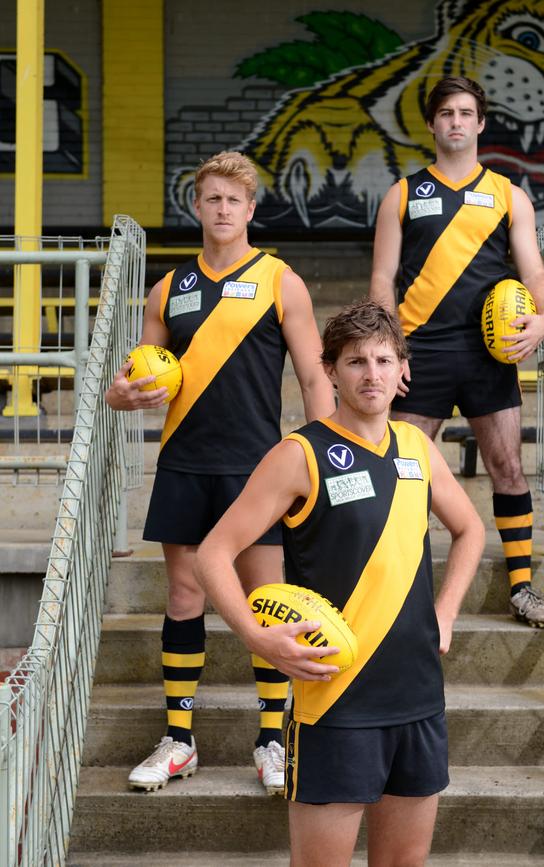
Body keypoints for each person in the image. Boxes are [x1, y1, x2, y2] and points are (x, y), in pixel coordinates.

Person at [194, 300, 485, 867]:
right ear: (329, 371)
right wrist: (258, 637)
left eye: (382, 360)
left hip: (417, 697)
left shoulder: (418, 449)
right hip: (336, 701)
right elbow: (213, 553)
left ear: (404, 369)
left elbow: (471, 529)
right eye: (355, 362)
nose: (371, 374)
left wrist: (445, 613)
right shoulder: (299, 455)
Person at [104, 151, 335, 793]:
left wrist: (318, 453)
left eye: (234, 200)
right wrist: (120, 396)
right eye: (212, 199)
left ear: (251, 209)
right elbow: (128, 380)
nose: (223, 209)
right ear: (197, 206)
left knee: (266, 602)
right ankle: (178, 740)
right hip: (184, 461)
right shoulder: (166, 290)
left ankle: (272, 739)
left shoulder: (280, 280)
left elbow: (315, 373)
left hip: (256, 467)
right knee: (185, 598)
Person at [370, 75, 544, 629]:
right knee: (403, 473)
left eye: (465, 112)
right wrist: (389, 348)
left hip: (487, 355)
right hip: (418, 351)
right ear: (431, 123)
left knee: (508, 467)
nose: (455, 121)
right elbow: (382, 278)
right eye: (445, 112)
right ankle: (399, 589)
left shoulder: (508, 194)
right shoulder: (402, 194)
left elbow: (534, 272)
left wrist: (543, 318)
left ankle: (521, 587)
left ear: (480, 123)